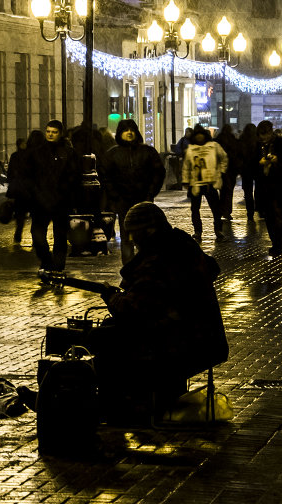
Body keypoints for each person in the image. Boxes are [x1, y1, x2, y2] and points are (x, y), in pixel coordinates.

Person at [93, 202, 227, 415]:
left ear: (149, 230)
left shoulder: (162, 257)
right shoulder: (181, 246)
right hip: (201, 338)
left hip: (182, 343)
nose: (134, 241)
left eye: (135, 234)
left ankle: (109, 404)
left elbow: (133, 309)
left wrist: (112, 299)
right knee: (114, 329)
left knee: (105, 337)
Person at [98, 119, 165, 263]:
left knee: (146, 234)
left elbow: (158, 172)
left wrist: (151, 192)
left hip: (144, 200)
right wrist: (115, 195)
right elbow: (105, 176)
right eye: (125, 130)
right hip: (123, 201)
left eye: (131, 130)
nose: (129, 133)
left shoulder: (147, 152)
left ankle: (145, 265)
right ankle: (129, 267)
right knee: (126, 235)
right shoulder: (112, 154)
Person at [26, 119, 80, 273]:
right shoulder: (37, 152)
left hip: (61, 200)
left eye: (54, 132)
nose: (50, 134)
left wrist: (69, 194)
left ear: (60, 134)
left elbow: (74, 176)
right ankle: (46, 259)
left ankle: (58, 265)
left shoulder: (68, 153)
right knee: (37, 235)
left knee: (60, 235)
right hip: (40, 200)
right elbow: (30, 175)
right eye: (48, 131)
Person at [254, 120, 282, 256]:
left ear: (271, 132)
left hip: (279, 185)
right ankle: (274, 241)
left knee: (279, 215)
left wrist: (278, 160)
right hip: (263, 186)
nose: (264, 137)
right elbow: (250, 165)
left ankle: (278, 244)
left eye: (267, 134)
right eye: (262, 135)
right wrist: (259, 163)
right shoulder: (256, 146)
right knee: (267, 215)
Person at [182, 124, 228, 244]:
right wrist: (186, 180)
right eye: (197, 136)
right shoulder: (191, 149)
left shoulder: (213, 147)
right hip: (195, 183)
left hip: (210, 183)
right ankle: (198, 231)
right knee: (195, 209)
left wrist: (221, 172)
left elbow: (224, 158)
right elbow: (186, 166)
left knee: (216, 209)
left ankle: (218, 230)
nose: (199, 138)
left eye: (201, 136)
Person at [7, 132, 42, 246]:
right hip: (33, 191)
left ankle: (18, 232)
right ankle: (35, 237)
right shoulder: (37, 154)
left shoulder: (17, 156)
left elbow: (11, 173)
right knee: (35, 215)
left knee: (20, 213)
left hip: (20, 190)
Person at [216, 124, 241, 221]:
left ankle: (220, 210)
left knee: (221, 191)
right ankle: (227, 211)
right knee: (229, 191)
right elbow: (237, 155)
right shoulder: (234, 141)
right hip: (231, 170)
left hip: (220, 169)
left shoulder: (218, 140)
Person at [238, 123, 260, 230]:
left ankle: (250, 214)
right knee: (259, 189)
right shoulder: (258, 140)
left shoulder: (242, 141)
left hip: (246, 170)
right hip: (257, 168)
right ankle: (259, 209)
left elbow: (239, 156)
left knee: (248, 192)